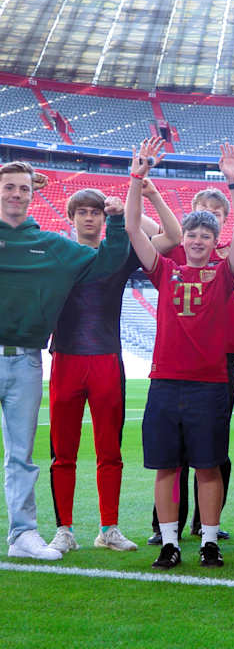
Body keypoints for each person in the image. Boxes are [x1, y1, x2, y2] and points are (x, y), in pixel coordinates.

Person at [126, 140, 234, 569]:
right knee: (166, 466)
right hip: (165, 380)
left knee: (208, 465)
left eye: (205, 235)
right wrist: (137, 181)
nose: (197, 240)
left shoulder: (223, 272)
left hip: (210, 382)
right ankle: (169, 542)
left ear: (216, 240)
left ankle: (209, 540)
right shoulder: (166, 269)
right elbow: (134, 229)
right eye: (192, 234)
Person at [48, 165, 182, 555]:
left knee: (110, 451)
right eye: (83, 212)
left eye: (96, 212)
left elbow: (171, 237)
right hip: (66, 359)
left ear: (104, 218)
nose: (90, 218)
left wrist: (128, 208)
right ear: (71, 219)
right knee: (64, 452)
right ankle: (64, 529)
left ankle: (109, 527)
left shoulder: (120, 253)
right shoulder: (59, 255)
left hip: (107, 358)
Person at [1, 161, 129, 560]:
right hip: (50, 358)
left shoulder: (55, 248)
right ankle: (49, 530)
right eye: (9, 188)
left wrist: (120, 221)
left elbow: (108, 261)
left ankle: (37, 533)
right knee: (43, 453)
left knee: (26, 454)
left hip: (39, 359)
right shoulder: (48, 244)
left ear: (34, 196)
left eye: (24, 189)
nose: (16, 195)